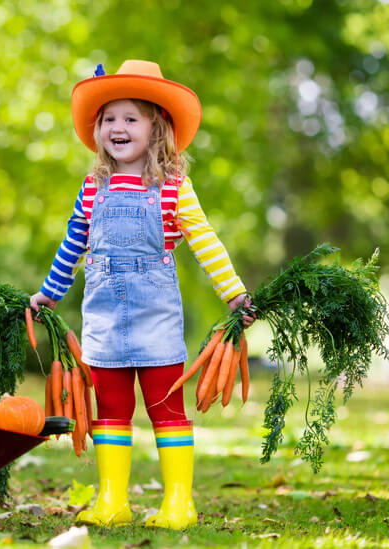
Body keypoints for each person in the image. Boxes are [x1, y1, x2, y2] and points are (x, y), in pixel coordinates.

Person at [30, 60, 255, 529]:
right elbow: (74, 240)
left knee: (165, 405)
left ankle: (178, 502)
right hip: (104, 317)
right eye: (108, 118)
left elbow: (204, 240)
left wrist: (233, 293)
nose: (117, 127)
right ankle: (113, 499)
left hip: (156, 315)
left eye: (130, 118)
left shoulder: (174, 188)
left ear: (157, 128)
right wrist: (50, 293)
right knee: (110, 408)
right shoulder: (93, 187)